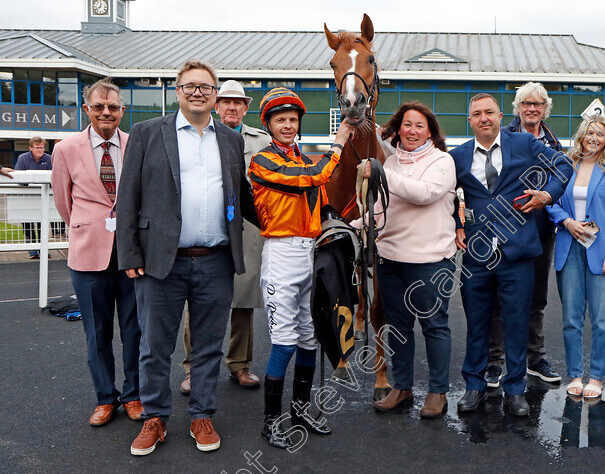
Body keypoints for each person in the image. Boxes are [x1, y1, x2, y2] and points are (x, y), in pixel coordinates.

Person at [117, 60, 258, 456]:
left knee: (209, 345)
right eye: (190, 86)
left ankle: (202, 413)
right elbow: (127, 197)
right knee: (155, 345)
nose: (198, 92)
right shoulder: (147, 134)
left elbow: (243, 197)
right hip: (160, 261)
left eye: (206, 87)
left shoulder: (230, 140)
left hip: (215, 260)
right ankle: (155, 418)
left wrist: (292, 220)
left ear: (215, 95)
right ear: (178, 91)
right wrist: (127, 252)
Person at [451, 93, 572, 417]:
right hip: (477, 257)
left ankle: (515, 389)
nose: (484, 118)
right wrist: (456, 224)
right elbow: (444, 195)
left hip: (518, 254)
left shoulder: (523, 145)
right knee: (477, 324)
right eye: (477, 114)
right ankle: (474, 386)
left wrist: (547, 195)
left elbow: (563, 165)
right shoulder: (459, 157)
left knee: (517, 323)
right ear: (470, 121)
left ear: (501, 115)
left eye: (489, 112)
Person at [249, 87, 353, 448]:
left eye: (293, 120)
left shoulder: (304, 159)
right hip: (280, 255)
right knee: (284, 342)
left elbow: (322, 206)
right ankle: (270, 420)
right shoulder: (263, 160)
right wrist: (339, 144)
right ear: (268, 124)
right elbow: (314, 176)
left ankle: (300, 409)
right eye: (281, 120)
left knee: (311, 335)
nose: (289, 126)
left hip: (312, 253)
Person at [50, 78, 143, 427]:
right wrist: (88, 227)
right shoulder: (66, 148)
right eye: (100, 107)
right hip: (88, 256)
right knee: (96, 333)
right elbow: (64, 201)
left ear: (121, 111)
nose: (107, 112)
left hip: (132, 255)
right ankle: (106, 398)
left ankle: (133, 395)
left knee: (135, 332)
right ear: (87, 109)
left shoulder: (136, 145)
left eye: (114, 107)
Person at [358, 102, 457, 419]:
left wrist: (381, 174)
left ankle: (437, 392)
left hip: (430, 261)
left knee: (434, 327)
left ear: (430, 131)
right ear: (398, 128)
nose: (412, 131)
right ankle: (401, 387)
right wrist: (352, 227)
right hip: (390, 260)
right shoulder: (390, 165)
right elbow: (379, 211)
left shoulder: (442, 161)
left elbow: (425, 193)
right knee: (398, 327)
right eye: (407, 125)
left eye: (420, 126)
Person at [179, 80, 270, 395]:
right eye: (226, 102)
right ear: (216, 105)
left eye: (238, 103)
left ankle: (240, 364)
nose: (232, 108)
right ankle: (193, 368)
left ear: (246, 108)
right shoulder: (200, 137)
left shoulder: (262, 141)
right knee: (198, 300)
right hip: (209, 230)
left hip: (246, 228)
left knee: (243, 301)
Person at [487, 82, 564, 386]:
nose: (533, 109)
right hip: (505, 231)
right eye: (527, 103)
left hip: (542, 231)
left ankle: (536, 357)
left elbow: (561, 181)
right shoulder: (501, 138)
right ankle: (494, 360)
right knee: (498, 297)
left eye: (539, 104)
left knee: (536, 297)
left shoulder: (554, 144)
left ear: (545, 109)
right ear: (517, 108)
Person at [547, 115, 605, 401]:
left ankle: (597, 376)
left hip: (601, 249)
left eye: (600, 134)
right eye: (589, 132)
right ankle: (575, 374)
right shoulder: (566, 165)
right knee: (571, 319)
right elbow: (550, 202)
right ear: (581, 136)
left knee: (601, 320)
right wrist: (566, 221)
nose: (594, 138)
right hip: (570, 246)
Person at [15, 136, 52, 258]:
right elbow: (18, 177)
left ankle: (43, 249)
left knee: (43, 223)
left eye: (42, 147)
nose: (40, 150)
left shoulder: (49, 159)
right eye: (37, 148)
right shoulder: (23, 158)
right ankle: (32, 250)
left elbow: (54, 176)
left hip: (44, 197)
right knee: (28, 224)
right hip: (27, 196)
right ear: (31, 148)